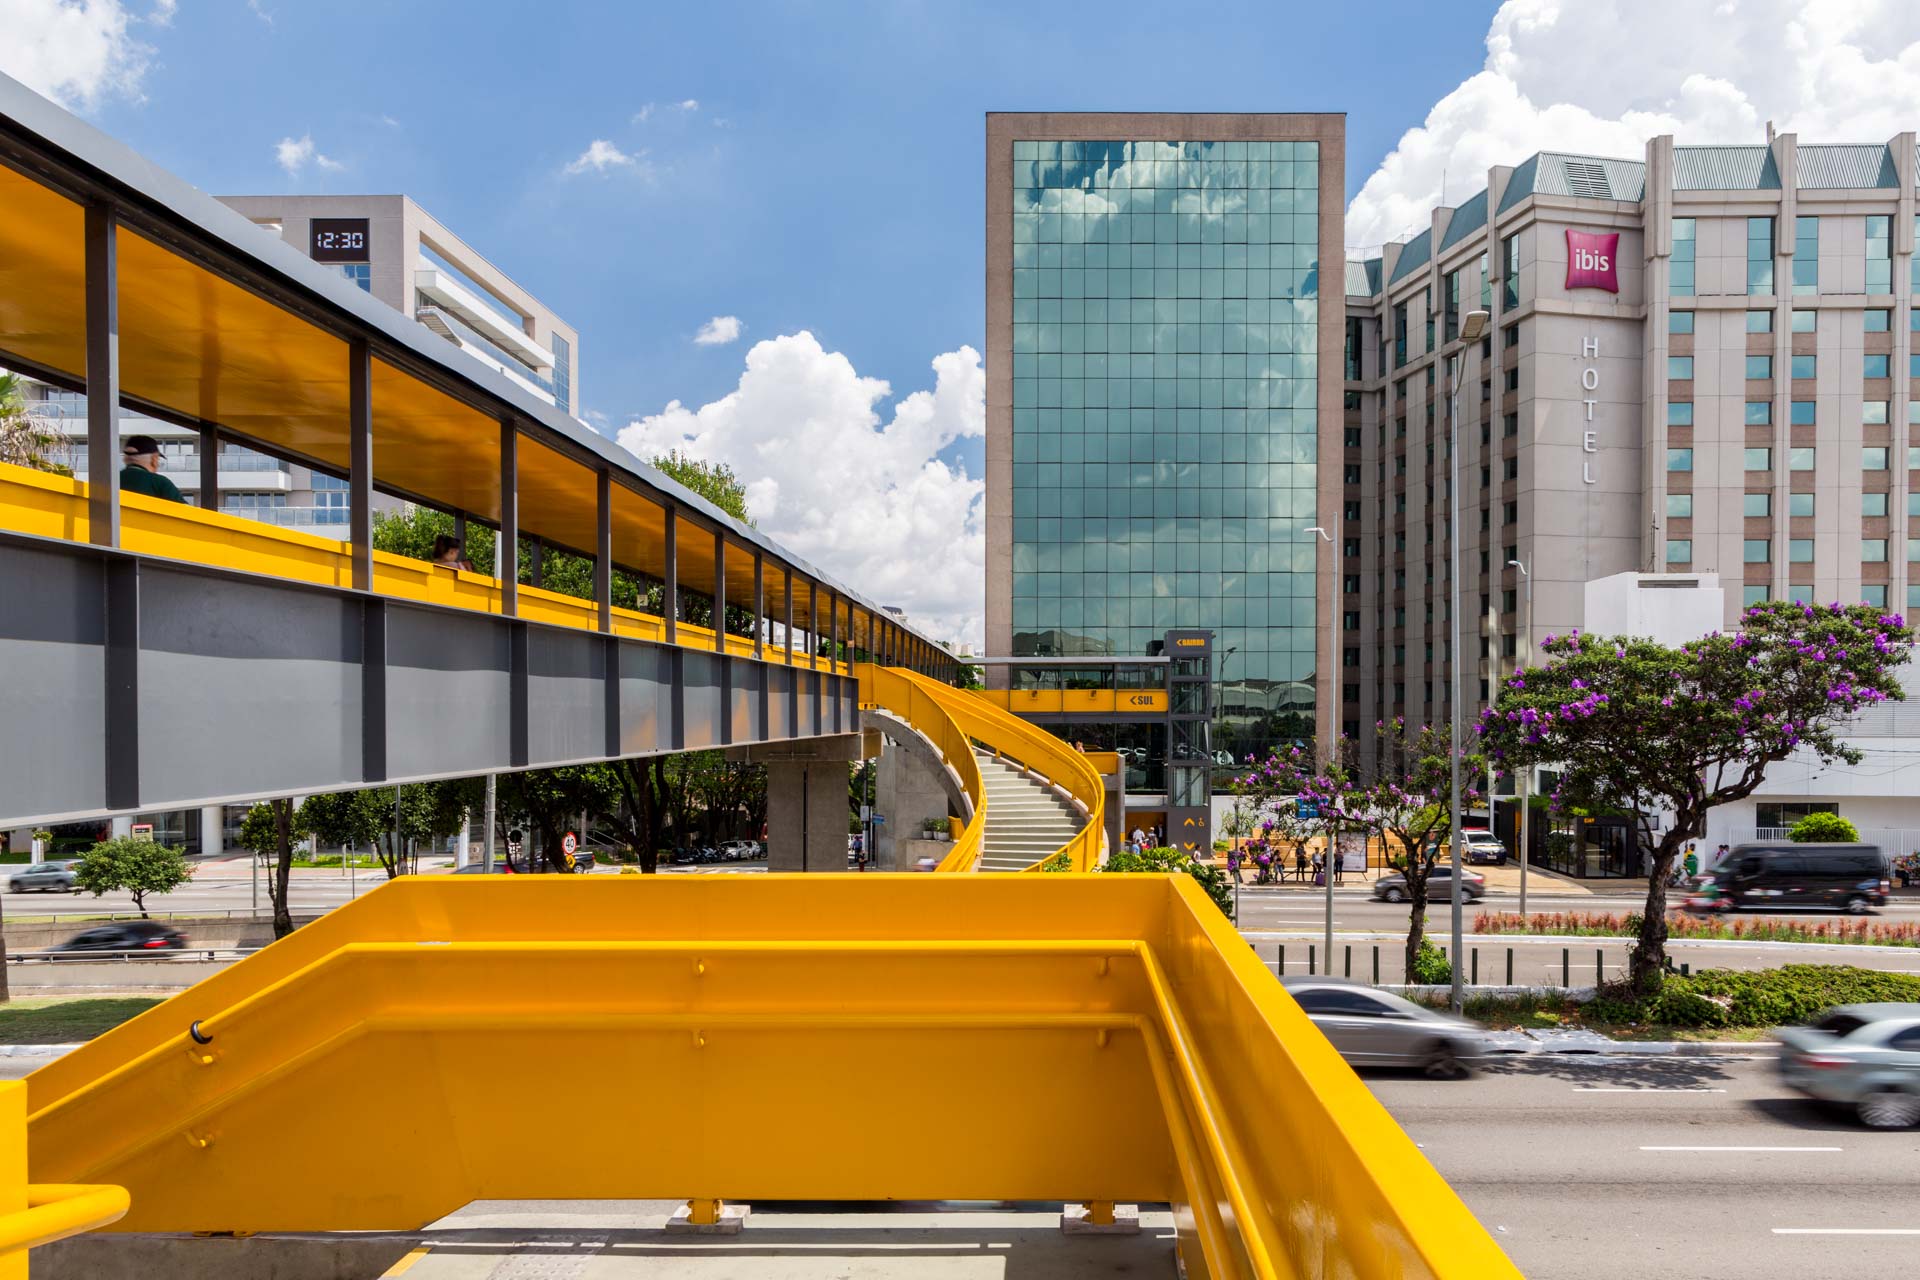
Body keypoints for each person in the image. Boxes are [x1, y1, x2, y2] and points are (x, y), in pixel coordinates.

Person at [118, 434, 187, 504]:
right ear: (154, 459)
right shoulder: (160, 483)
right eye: (158, 459)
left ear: (125, 459)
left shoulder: (111, 481)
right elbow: (186, 512)